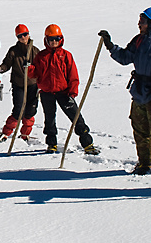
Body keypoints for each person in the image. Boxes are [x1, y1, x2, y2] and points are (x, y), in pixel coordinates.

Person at [98, 7, 151, 177]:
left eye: (143, 20)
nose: (139, 23)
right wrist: (111, 46)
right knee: (140, 130)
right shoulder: (139, 40)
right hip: (140, 92)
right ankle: (145, 163)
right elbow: (126, 57)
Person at [28, 24, 100, 154]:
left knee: (77, 118)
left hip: (64, 93)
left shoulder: (66, 55)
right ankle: (51, 144)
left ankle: (87, 144)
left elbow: (73, 75)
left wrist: (73, 92)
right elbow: (34, 75)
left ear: (61, 39)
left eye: (56, 38)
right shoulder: (41, 56)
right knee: (49, 120)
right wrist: (29, 68)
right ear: (46, 40)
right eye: (51, 39)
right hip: (47, 93)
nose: (54, 42)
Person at [0, 24, 40, 143]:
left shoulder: (35, 51)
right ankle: (5, 133)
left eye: (25, 35)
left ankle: (25, 134)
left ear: (29, 34)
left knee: (30, 111)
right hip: (18, 85)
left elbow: (41, 68)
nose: (23, 38)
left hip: (33, 85)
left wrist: (33, 69)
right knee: (18, 111)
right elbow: (6, 65)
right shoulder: (13, 51)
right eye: (20, 36)